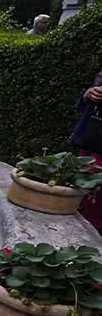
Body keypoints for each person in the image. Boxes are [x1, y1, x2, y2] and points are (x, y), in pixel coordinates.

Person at [73, 70, 102, 232]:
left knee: (96, 201)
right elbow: (82, 106)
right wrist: (88, 94)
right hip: (91, 142)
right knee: (79, 188)